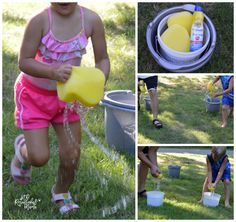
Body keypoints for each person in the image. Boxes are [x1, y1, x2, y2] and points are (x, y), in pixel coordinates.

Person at [10, 3, 110, 214]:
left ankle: (61, 191)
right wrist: (52, 71)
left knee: (72, 153)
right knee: (39, 158)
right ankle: (23, 151)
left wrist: (98, 83)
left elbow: (102, 59)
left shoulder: (91, 20)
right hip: (34, 96)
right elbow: (24, 61)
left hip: (68, 97)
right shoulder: (39, 21)